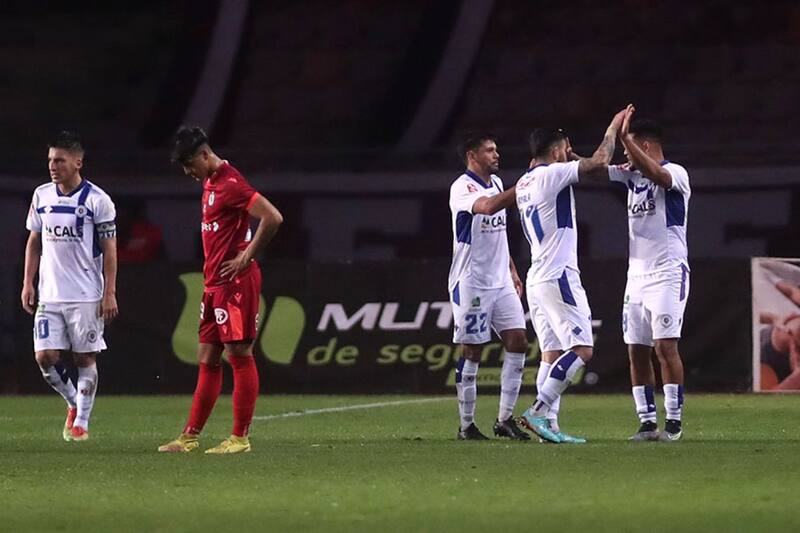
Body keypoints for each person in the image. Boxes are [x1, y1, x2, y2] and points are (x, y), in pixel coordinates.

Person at [158, 126, 283, 454]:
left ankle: (240, 438)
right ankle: (189, 436)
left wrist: (246, 256)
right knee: (207, 356)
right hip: (213, 283)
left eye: (189, 164)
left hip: (236, 283)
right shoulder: (209, 182)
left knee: (239, 355)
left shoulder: (230, 183)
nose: (188, 172)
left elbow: (273, 217)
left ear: (204, 154)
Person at [516, 109, 627, 443]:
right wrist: (612, 128)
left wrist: (569, 155)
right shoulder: (553, 175)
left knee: (551, 354)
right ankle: (537, 411)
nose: (569, 152)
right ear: (555, 152)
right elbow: (599, 162)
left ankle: (549, 424)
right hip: (558, 274)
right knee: (582, 349)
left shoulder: (525, 181)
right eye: (566, 147)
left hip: (537, 275)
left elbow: (580, 164)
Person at [21, 131, 118, 442]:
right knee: (44, 357)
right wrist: (28, 282)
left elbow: (110, 249)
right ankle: (73, 403)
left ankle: (83, 423)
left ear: (78, 162)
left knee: (84, 359)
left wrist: (110, 292)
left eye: (60, 160)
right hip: (50, 294)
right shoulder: (41, 196)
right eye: (50, 160)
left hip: (86, 295)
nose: (53, 166)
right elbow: (34, 241)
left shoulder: (97, 200)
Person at [608, 106, 691, 441]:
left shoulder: (677, 173)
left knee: (665, 346)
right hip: (637, 276)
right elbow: (595, 170)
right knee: (635, 348)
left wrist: (628, 142)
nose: (625, 155)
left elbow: (658, 176)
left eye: (630, 146)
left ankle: (673, 421)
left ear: (643, 144)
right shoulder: (631, 176)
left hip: (668, 271)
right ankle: (646, 422)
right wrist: (612, 134)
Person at [448, 132, 530, 441]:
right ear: (473, 155)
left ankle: (504, 419)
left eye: (496, 149)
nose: (497, 154)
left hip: (501, 279)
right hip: (472, 281)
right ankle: (466, 425)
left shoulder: (496, 182)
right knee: (473, 350)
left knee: (518, 340)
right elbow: (489, 208)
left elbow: (500, 232)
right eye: (489, 150)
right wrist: (524, 184)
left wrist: (512, 268)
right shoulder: (461, 188)